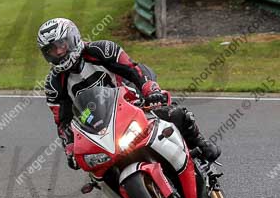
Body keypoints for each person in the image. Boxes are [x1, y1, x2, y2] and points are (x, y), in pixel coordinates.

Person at [38, 18, 220, 170]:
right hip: (98, 129)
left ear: (73, 37)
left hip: (132, 106)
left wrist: (151, 90)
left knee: (177, 114)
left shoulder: (101, 50)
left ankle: (201, 146)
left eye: (61, 44)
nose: (59, 51)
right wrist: (70, 148)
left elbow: (134, 70)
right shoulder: (53, 84)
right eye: (52, 50)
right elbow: (63, 122)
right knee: (92, 167)